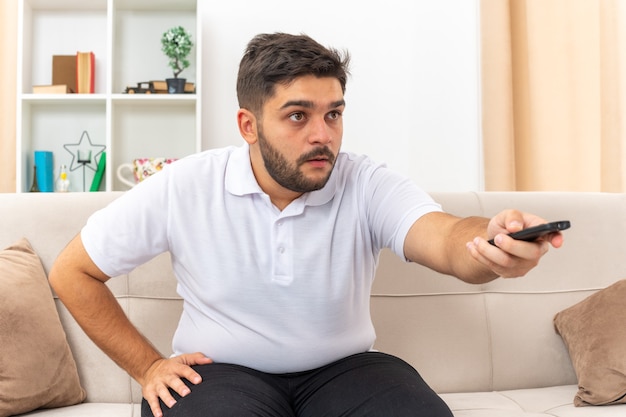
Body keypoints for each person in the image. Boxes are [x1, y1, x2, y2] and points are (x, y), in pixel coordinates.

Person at [49, 32, 564, 417]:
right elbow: (72, 271)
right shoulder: (184, 185)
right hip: (219, 377)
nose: (323, 135)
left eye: (334, 114)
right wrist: (147, 366)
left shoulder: (366, 182)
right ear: (248, 126)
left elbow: (445, 237)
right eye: (299, 115)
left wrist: (490, 244)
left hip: (345, 372)